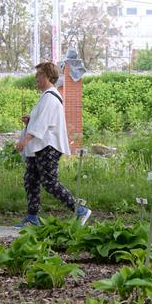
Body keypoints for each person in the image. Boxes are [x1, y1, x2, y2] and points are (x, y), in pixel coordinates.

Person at [14, 61, 91, 228]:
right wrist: (30, 119)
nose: (36, 78)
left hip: (47, 146)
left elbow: (42, 124)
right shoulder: (47, 96)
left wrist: (24, 140)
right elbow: (42, 120)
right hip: (40, 146)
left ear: (47, 76)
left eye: (38, 75)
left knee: (49, 182)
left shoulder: (50, 97)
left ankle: (80, 210)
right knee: (31, 179)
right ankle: (32, 217)